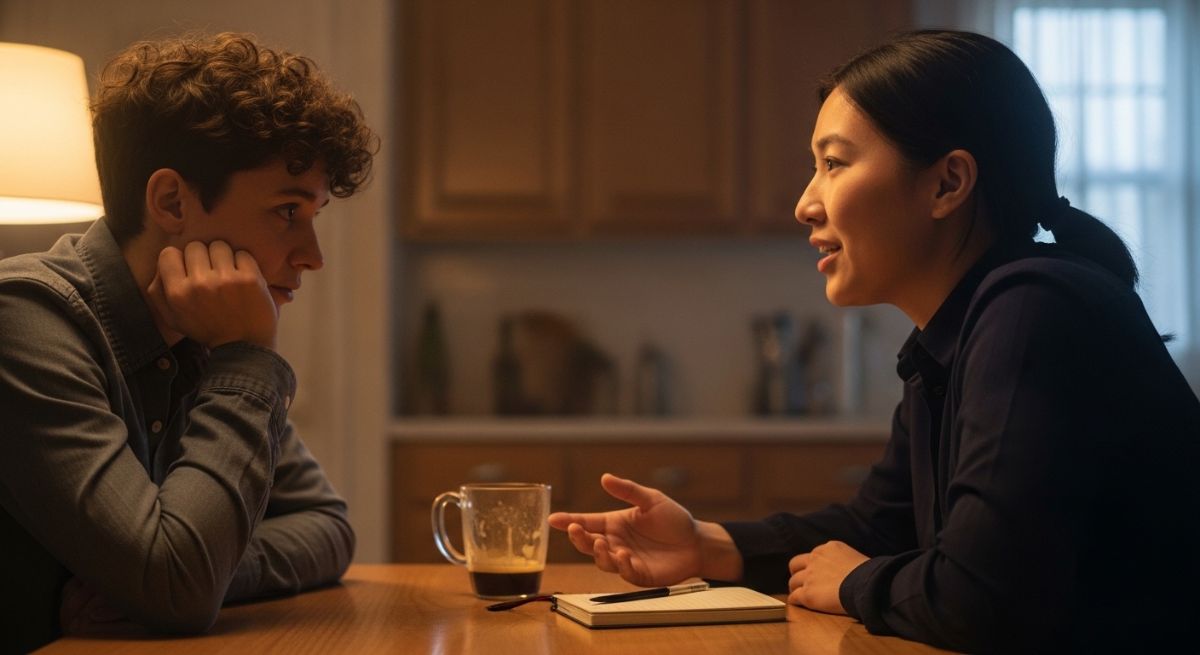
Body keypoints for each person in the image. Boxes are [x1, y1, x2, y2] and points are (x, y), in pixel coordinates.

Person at [549, 29, 1200, 653]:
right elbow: (882, 525)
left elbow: (984, 597)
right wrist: (708, 543)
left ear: (948, 183)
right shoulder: (958, 333)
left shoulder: (1031, 311)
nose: (806, 203)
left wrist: (857, 581)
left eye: (834, 163)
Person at [0, 32, 376, 652]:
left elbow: (327, 527)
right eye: (288, 211)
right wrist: (247, 360)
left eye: (315, 216)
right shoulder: (25, 319)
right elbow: (177, 586)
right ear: (171, 200)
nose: (313, 257)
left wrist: (224, 567)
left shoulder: (202, 331)